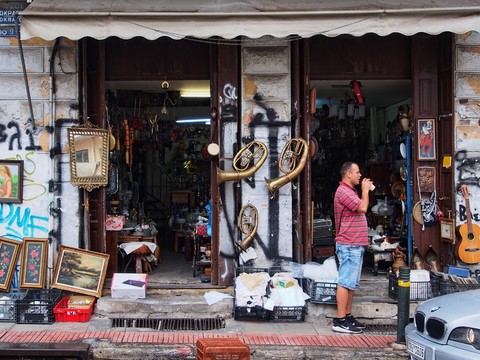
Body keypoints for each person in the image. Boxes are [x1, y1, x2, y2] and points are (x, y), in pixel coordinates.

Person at [332, 162, 373, 334]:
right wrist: (365, 190)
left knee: (351, 284)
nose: (360, 175)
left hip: (355, 243)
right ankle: (340, 320)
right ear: (348, 174)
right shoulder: (343, 191)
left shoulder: (350, 191)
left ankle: (347, 316)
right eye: (357, 172)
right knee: (345, 282)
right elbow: (363, 208)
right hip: (348, 244)